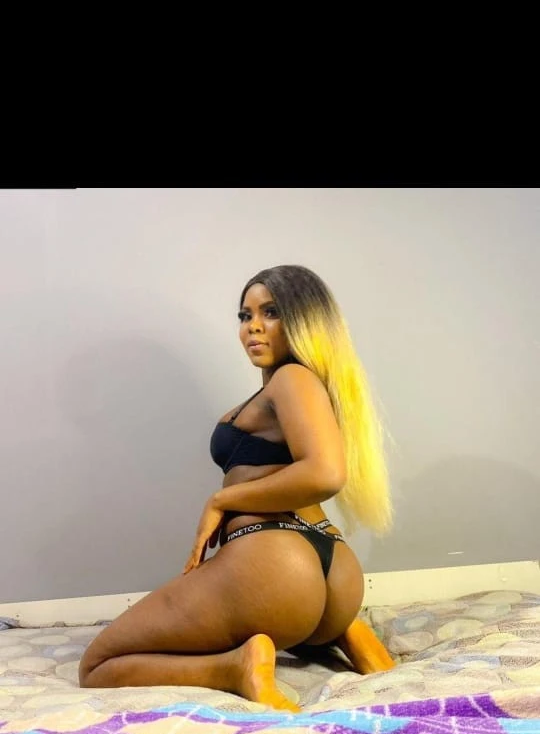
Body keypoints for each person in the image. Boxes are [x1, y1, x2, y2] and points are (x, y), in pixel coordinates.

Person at [79, 265, 394, 711]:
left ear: (305, 321)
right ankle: (339, 633)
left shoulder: (292, 378)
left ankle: (231, 668)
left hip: (275, 566)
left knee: (98, 663)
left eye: (271, 312)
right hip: (333, 574)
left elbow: (325, 473)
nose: (253, 327)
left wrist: (222, 499)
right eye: (245, 316)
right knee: (281, 616)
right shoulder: (299, 385)